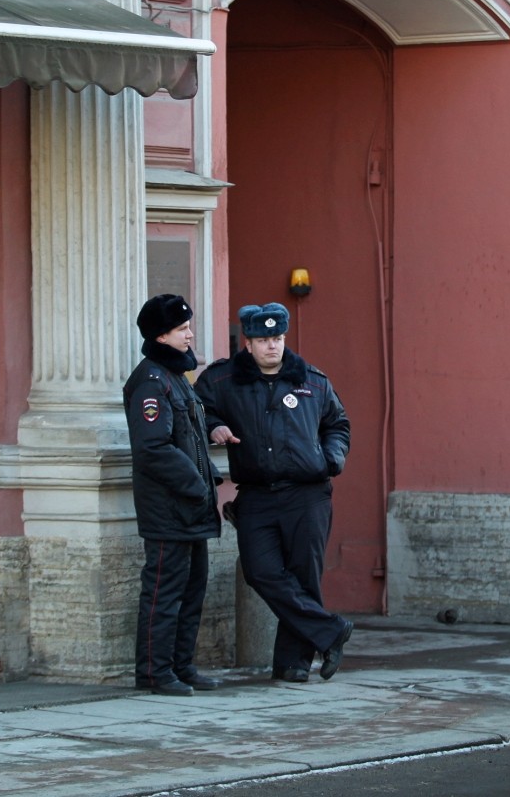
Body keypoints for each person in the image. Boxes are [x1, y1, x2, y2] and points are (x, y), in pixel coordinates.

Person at [196, 302, 354, 682]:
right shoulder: (223, 380)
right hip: (257, 494)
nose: (272, 346)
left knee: (304, 576)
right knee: (260, 571)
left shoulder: (313, 381)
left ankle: (293, 664)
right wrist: (214, 425)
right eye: (264, 339)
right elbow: (195, 409)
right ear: (247, 342)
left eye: (278, 338)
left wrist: (330, 459)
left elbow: (338, 424)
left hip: (308, 494)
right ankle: (330, 631)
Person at [125, 293, 224, 696]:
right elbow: (154, 448)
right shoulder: (150, 382)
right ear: (161, 335)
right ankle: (154, 671)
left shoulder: (175, 379)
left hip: (191, 506)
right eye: (182, 329)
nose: (190, 334)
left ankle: (181, 665)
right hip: (170, 508)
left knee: (192, 588)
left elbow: (190, 441)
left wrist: (210, 474)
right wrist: (196, 485)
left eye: (188, 327)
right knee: (164, 591)